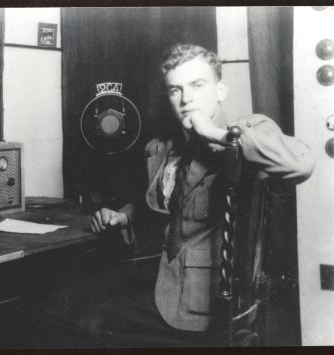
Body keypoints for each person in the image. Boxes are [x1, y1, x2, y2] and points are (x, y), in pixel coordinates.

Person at [31, 43, 315, 347]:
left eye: (197, 85)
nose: (186, 99)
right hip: (158, 274)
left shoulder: (247, 132)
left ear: (220, 90)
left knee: (56, 316)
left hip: (201, 300)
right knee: (56, 303)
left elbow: (300, 163)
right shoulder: (164, 146)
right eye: (175, 90)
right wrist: (124, 215)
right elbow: (160, 205)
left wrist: (219, 135)